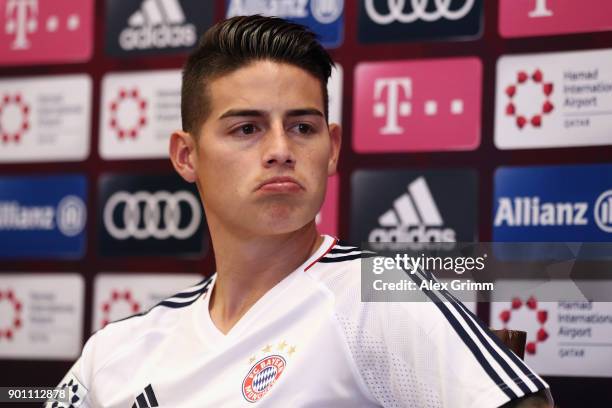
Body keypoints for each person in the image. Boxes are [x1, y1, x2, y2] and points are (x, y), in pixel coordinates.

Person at [47, 15, 553, 407]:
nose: (280, 150)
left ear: (332, 148)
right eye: (246, 129)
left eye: (303, 128)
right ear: (187, 156)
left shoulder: (375, 298)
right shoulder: (117, 349)